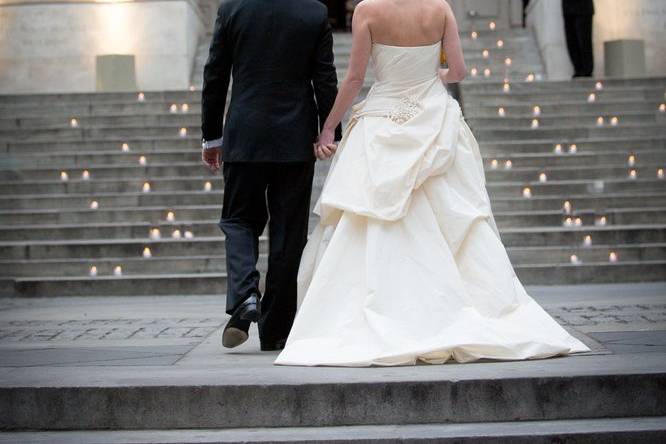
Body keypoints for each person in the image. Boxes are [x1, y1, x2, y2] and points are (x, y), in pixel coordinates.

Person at [274, 0, 592, 367]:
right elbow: (457, 70)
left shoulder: (367, 10)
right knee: (452, 215)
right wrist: (430, 80)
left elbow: (356, 79)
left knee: (373, 216)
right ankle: (464, 310)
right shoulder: (440, 8)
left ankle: (385, 312)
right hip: (434, 116)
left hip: (382, 119)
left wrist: (329, 126)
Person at [200, 0, 342, 352]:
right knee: (288, 233)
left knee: (238, 220)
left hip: (244, 134)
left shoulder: (232, 9)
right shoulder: (313, 11)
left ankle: (246, 293)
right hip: (294, 137)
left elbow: (215, 74)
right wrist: (330, 132)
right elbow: (324, 76)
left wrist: (211, 136)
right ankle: (277, 330)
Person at [562, 0, 595, 77]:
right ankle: (578, 69)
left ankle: (587, 70)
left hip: (583, 9)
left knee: (584, 41)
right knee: (571, 42)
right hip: (568, 9)